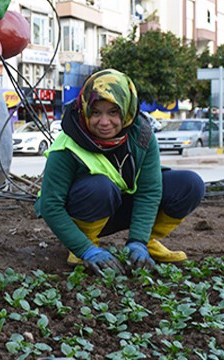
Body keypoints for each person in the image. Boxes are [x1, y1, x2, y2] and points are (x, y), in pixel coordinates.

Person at [36, 69, 205, 276]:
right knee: (99, 186)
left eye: (113, 112)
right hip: (84, 211)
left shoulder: (141, 135)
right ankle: (84, 244)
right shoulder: (67, 145)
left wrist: (138, 240)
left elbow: (149, 191)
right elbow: (50, 205)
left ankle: (146, 243)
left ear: (126, 110)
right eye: (96, 112)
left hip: (121, 207)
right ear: (85, 109)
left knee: (190, 184)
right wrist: (85, 249)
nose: (104, 122)